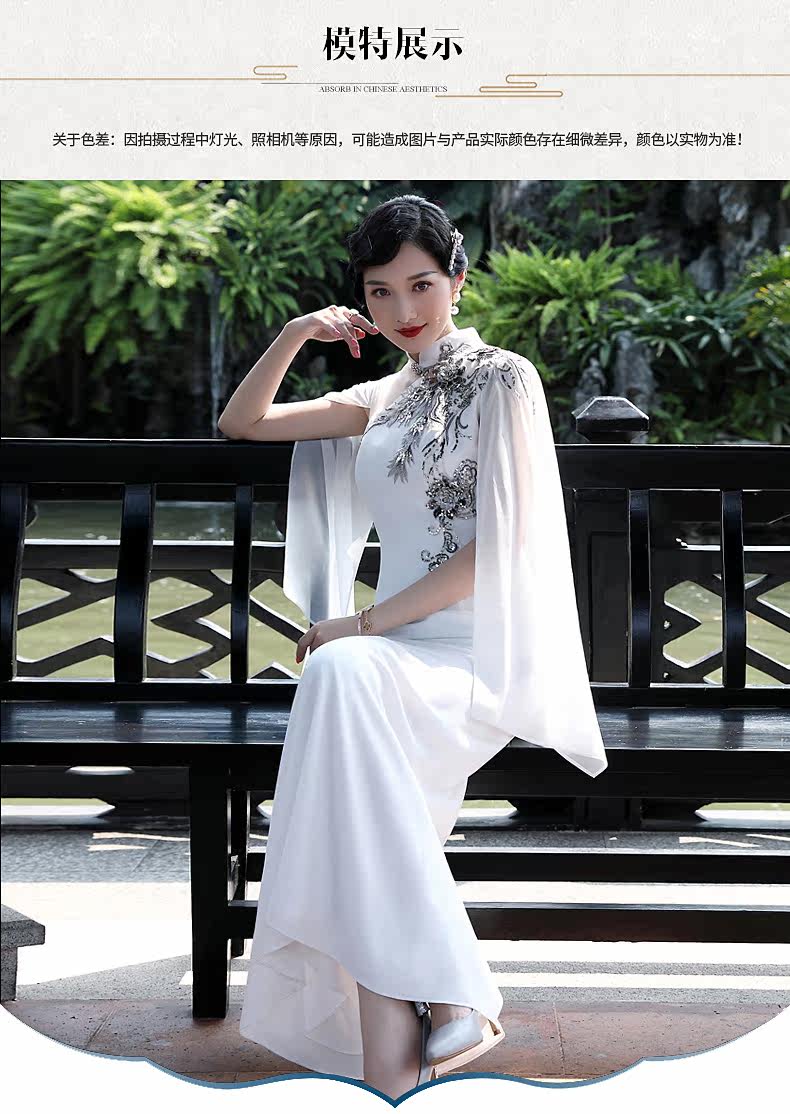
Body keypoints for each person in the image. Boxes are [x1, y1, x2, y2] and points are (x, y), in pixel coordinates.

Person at [218, 194, 608, 1099]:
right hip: (390, 658)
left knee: (340, 673)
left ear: (458, 280)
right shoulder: (381, 396)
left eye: (422, 285)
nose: (404, 310)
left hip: (473, 656)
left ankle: (422, 1027)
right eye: (380, 292)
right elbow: (246, 423)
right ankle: (433, 1021)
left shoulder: (504, 378)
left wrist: (361, 623)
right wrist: (295, 334)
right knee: (341, 690)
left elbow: (498, 549)